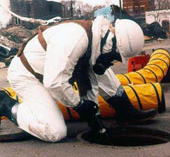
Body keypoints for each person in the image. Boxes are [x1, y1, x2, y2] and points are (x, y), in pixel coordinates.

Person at [0, 16, 156, 142]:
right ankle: (5, 104)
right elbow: (54, 83)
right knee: (54, 132)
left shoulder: (96, 39)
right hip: (28, 76)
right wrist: (80, 105)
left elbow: (89, 80)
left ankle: (123, 108)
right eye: (114, 58)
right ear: (113, 44)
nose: (112, 62)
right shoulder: (75, 40)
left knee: (98, 65)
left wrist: (94, 117)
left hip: (49, 74)